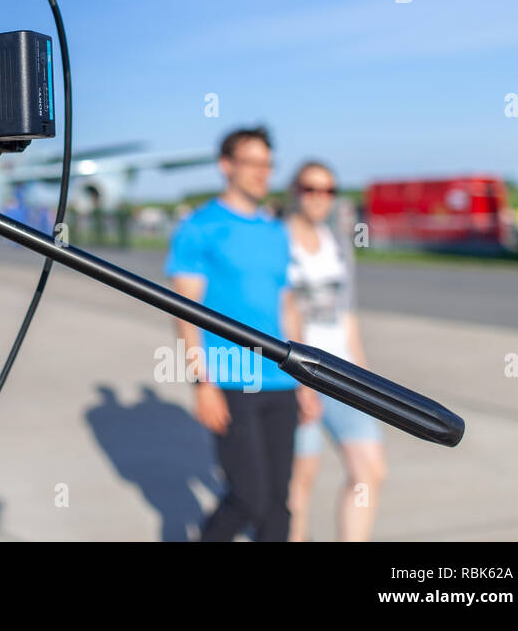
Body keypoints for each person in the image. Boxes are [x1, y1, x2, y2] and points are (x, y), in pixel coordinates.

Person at [165, 126, 319, 541]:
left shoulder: (275, 231)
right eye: (252, 162)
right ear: (226, 166)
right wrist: (202, 382)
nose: (262, 172)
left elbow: (286, 305)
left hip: (281, 381)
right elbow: (186, 313)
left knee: (278, 504)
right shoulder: (200, 227)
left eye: (268, 163)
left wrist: (305, 380)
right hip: (232, 377)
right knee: (249, 496)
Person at [284, 161, 386, 542]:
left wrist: (365, 375)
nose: (319, 197)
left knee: (370, 469)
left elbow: (347, 315)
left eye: (327, 190)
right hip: (296, 374)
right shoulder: (278, 242)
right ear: (295, 191)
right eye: (310, 189)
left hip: (341, 371)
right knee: (299, 480)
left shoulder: (339, 244)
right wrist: (297, 385)